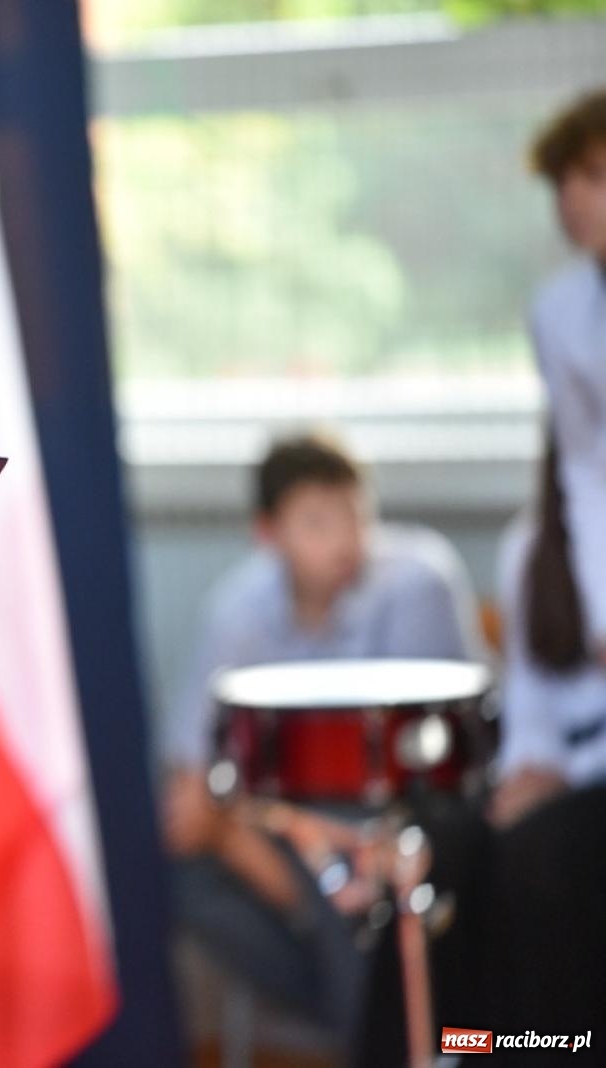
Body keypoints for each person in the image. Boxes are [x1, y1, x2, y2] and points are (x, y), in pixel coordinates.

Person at [161, 432, 482, 1057]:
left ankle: (370, 1017)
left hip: (404, 818)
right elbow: (189, 795)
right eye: (316, 522)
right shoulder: (240, 610)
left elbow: (443, 756)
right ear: (268, 532)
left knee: (356, 881)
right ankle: (378, 1021)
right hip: (286, 831)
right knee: (186, 876)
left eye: (356, 515)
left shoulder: (417, 584)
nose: (344, 540)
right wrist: (247, 839)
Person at [482, 434, 606, 1059]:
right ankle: (488, 1047)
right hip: (573, 781)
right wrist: (527, 778)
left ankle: (564, 1046)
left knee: (551, 852)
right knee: (457, 851)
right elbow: (530, 723)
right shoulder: (534, 548)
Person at [527, 88, 606, 665]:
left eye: (596, 176)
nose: (574, 198)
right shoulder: (558, 312)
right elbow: (585, 468)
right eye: (562, 183)